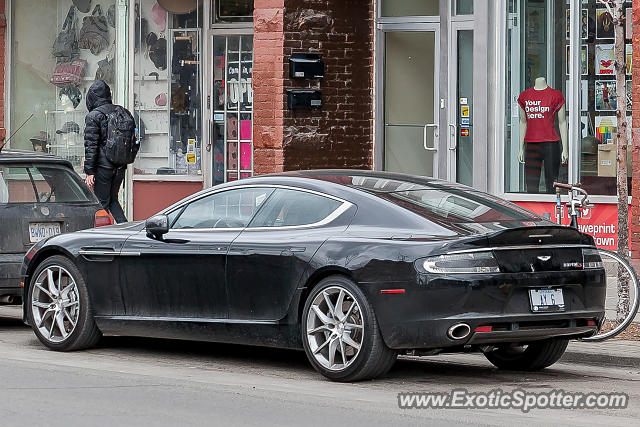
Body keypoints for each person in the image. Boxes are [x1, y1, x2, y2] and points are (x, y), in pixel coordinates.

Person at [83, 80, 127, 223]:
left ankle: (101, 238)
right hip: (119, 166)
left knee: (101, 203)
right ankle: (125, 229)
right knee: (113, 200)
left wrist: (89, 171)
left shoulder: (94, 116)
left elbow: (91, 145)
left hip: (103, 168)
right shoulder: (121, 111)